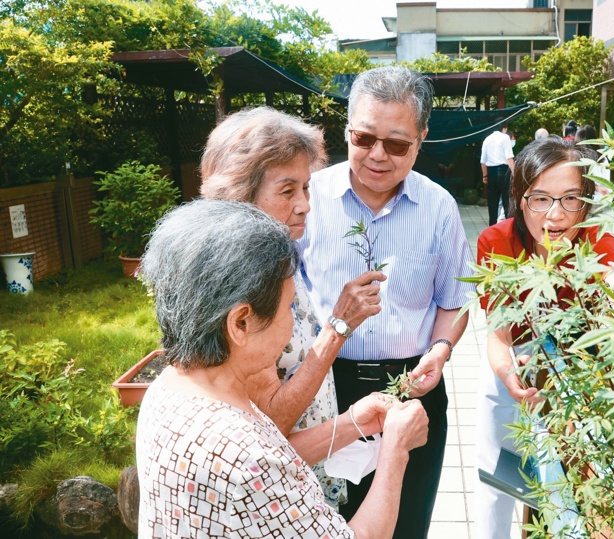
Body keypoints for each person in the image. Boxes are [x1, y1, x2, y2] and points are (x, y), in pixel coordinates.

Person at [136, 199, 429, 538]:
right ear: (241, 323)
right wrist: (396, 449)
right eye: (289, 306)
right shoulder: (246, 456)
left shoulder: (168, 389)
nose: (294, 323)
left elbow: (274, 464)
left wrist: (351, 423)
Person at [297, 65, 474, 539]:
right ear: (347, 130)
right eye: (363, 138)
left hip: (412, 391)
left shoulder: (438, 207)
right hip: (327, 390)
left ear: (421, 139)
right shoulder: (307, 199)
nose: (377, 155)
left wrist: (439, 352)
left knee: (407, 524)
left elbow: (454, 301)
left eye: (396, 144)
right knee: (325, 524)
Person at [200, 106, 387, 509]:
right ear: (240, 192)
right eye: (287, 191)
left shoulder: (276, 256)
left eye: (306, 188)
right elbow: (274, 418)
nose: (304, 204)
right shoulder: (240, 282)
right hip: (275, 494)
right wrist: (340, 324)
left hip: (304, 473)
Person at [474, 137, 614, 538]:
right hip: (517, 370)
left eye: (570, 199)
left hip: (581, 380)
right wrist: (507, 373)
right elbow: (499, 333)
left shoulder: (598, 244)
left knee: (569, 492)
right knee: (498, 484)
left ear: (588, 200)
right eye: (540, 199)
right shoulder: (497, 242)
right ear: (520, 197)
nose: (555, 214)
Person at [481, 123, 515, 226]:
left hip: (491, 172)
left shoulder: (487, 139)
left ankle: (492, 228)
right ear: (504, 128)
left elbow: (483, 161)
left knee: (492, 204)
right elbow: (509, 158)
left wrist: (485, 175)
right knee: (507, 202)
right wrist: (515, 174)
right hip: (504, 171)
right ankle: (509, 228)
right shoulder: (505, 138)